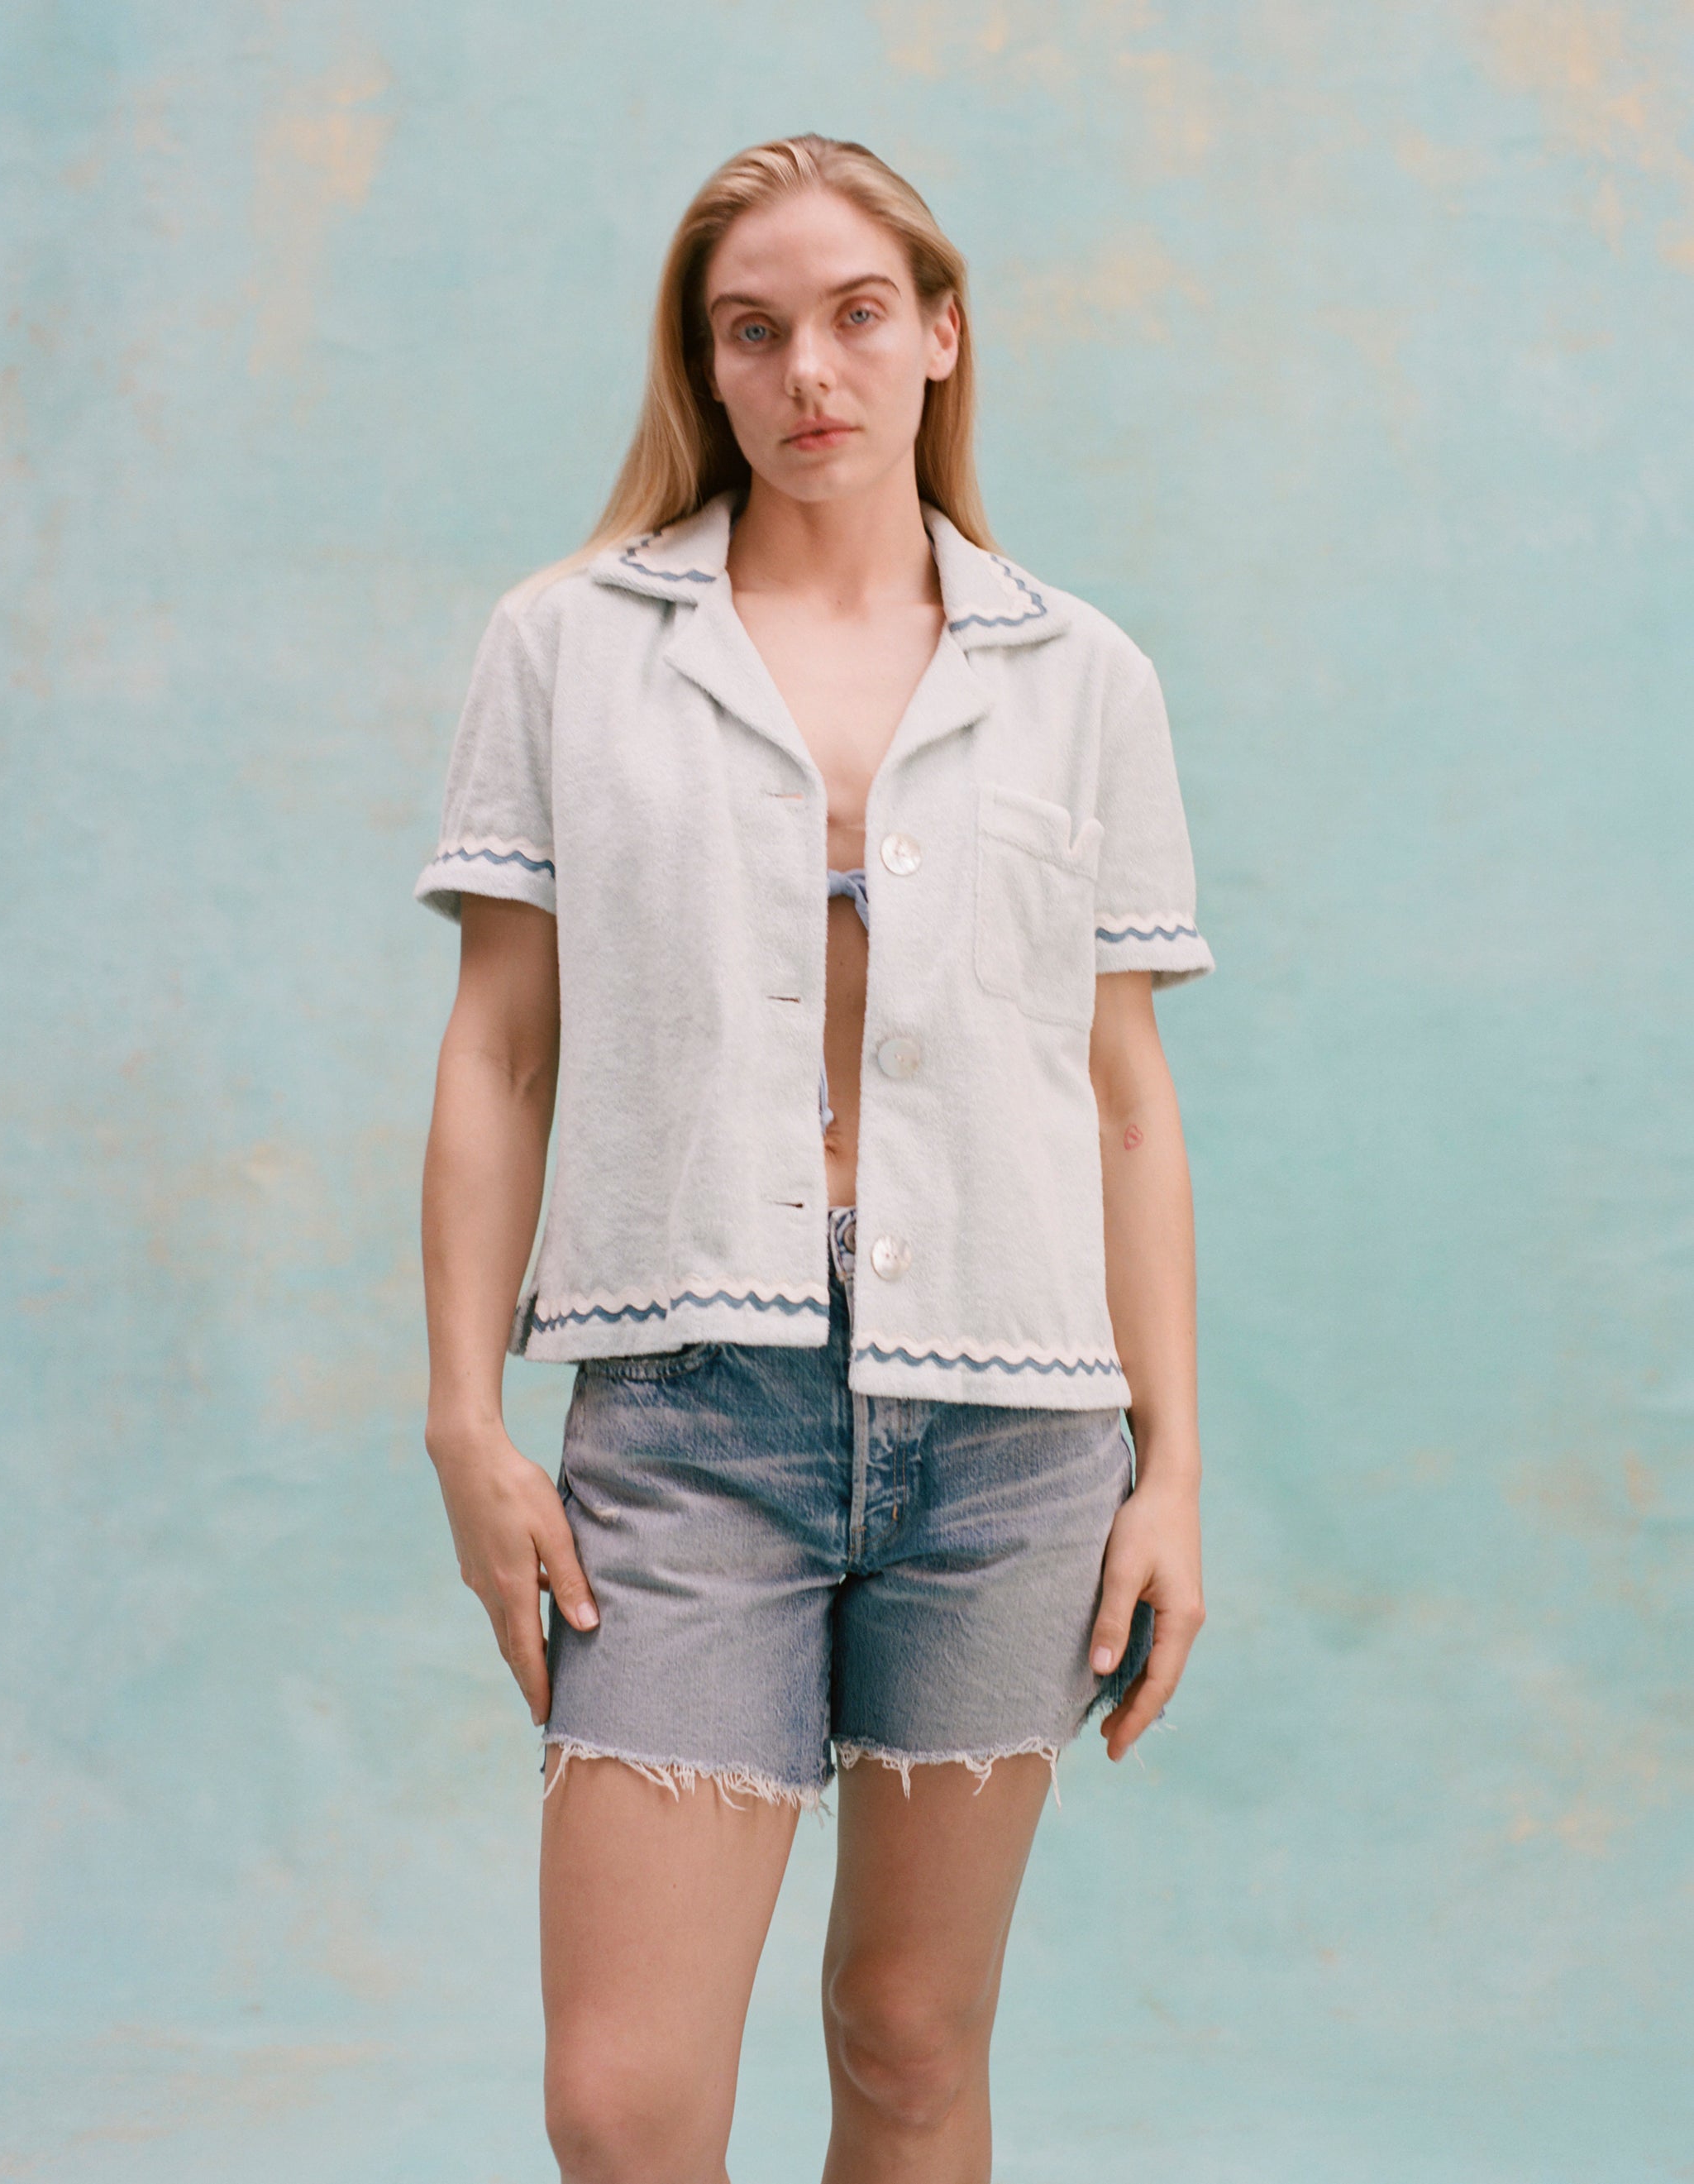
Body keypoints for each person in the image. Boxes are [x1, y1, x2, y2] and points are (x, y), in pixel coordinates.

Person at [416, 133, 1214, 2184]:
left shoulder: (1083, 675)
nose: (811, 374)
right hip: (690, 1414)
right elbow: (503, 1046)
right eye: (753, 331)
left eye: (860, 316)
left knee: (910, 2043)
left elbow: (1125, 1095)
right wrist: (462, 1425)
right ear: (707, 365)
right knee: (622, 2098)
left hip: (1015, 1425)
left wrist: (1173, 1476)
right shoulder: (572, 645)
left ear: (942, 334)